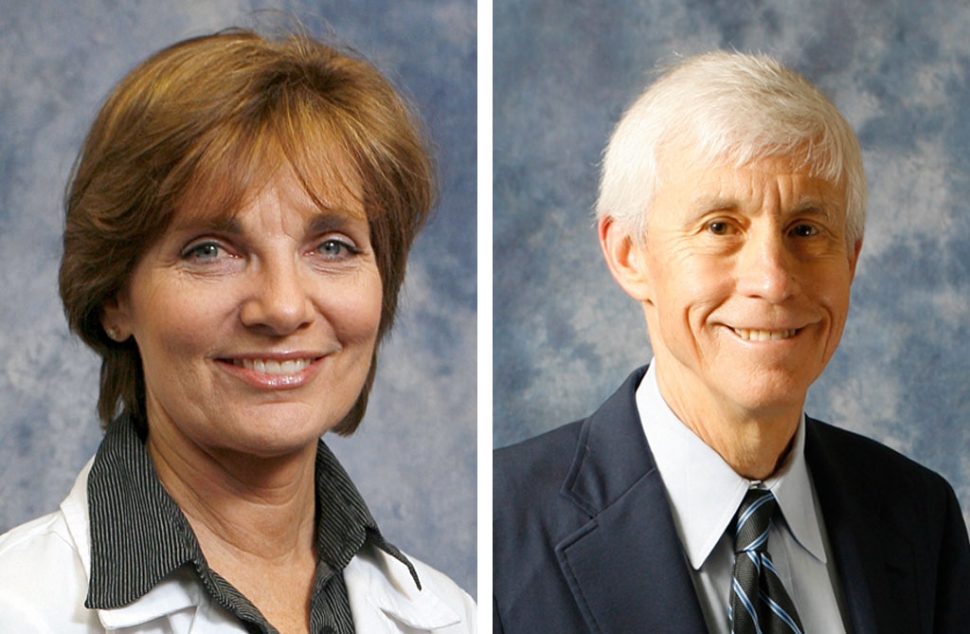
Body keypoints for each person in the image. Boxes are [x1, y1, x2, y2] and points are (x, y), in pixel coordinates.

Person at [0, 28, 475, 633]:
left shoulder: (454, 616)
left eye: (332, 246)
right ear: (115, 296)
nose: (280, 308)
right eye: (209, 251)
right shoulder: (16, 608)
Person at [493, 51, 970, 633]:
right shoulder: (500, 529)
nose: (772, 280)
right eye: (720, 226)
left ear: (850, 257)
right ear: (629, 255)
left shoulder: (921, 516)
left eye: (805, 230)